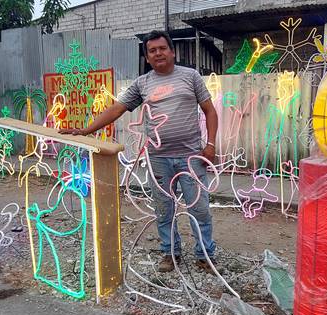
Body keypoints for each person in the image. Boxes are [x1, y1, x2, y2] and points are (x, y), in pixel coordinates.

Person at [59, 30, 218, 273]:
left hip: (191, 157)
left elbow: (210, 111)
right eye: (152, 51)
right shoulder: (142, 83)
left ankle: (204, 254)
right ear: (147, 57)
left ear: (172, 51)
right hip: (158, 159)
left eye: (162, 48)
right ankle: (169, 252)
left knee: (200, 208)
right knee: (164, 209)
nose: (158, 53)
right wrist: (86, 130)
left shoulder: (191, 76)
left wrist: (211, 145)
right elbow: (117, 109)